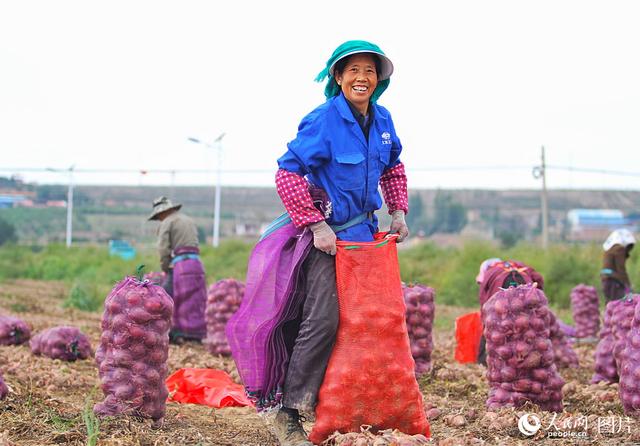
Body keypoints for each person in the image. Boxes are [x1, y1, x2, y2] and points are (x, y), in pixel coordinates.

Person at [229, 40, 409, 446]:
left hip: (365, 239)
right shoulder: (323, 121)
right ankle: (289, 412)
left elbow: (394, 167)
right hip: (327, 238)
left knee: (364, 322)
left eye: (370, 71)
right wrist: (314, 225)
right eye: (353, 71)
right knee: (324, 319)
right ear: (338, 78)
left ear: (379, 79)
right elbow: (287, 174)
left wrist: (398, 211)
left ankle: (344, 406)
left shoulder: (382, 121)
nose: (362, 78)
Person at [148, 196, 207, 343]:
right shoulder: (187, 220)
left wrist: (165, 267)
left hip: (181, 264)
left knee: (172, 298)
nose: (159, 219)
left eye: (158, 216)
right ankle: (195, 334)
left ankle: (177, 333)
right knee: (195, 299)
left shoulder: (167, 222)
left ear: (162, 213)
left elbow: (163, 249)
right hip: (197, 264)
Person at [601, 228, 635, 302]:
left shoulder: (610, 250)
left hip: (605, 280)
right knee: (618, 304)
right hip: (613, 281)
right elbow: (621, 269)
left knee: (610, 304)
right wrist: (629, 285)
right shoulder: (619, 249)